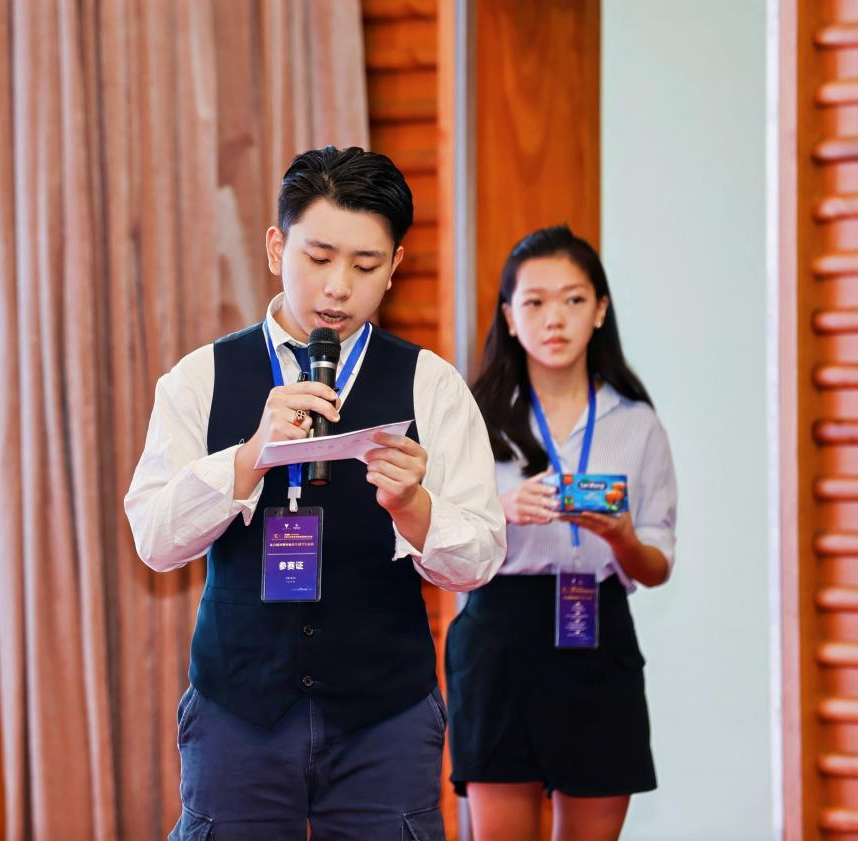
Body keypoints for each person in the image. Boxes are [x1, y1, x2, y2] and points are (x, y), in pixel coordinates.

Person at [124, 146, 505, 841]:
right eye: (318, 257)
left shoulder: (432, 385)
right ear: (277, 247)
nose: (337, 287)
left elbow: (478, 560)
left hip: (384, 717)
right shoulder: (200, 377)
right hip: (236, 711)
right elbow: (154, 540)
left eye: (364, 265)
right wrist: (247, 458)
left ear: (395, 266)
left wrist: (414, 508)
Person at [447, 224, 678, 841]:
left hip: (597, 632)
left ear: (600, 310)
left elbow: (658, 564)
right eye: (535, 302)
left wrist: (622, 537)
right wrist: (501, 508)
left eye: (574, 299)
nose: (555, 319)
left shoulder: (637, 424)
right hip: (498, 634)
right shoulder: (472, 417)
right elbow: (436, 542)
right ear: (509, 316)